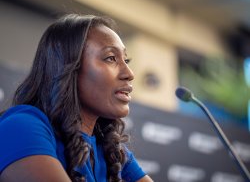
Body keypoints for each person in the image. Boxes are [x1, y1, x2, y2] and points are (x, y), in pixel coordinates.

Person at [0, 14, 153, 182]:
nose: (129, 74)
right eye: (111, 58)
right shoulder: (21, 126)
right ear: (68, 68)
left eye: (126, 60)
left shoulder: (111, 151)